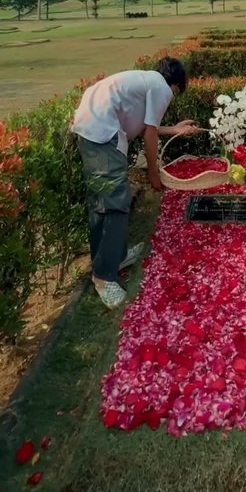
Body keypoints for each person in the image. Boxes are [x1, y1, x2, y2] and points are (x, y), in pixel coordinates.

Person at [72, 57, 200, 308]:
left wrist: (173, 129)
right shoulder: (162, 87)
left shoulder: (145, 80)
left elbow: (147, 125)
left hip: (90, 128)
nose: (172, 96)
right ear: (174, 84)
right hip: (102, 134)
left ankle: (115, 257)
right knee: (115, 203)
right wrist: (154, 171)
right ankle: (103, 277)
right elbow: (149, 134)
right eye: (177, 91)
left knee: (102, 203)